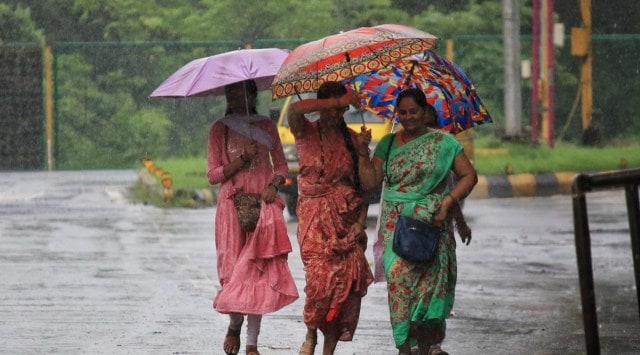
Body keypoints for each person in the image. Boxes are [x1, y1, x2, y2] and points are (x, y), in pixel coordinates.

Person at [358, 88, 478, 355]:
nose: (408, 117)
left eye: (414, 111)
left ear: (425, 112)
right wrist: (362, 152)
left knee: (428, 291)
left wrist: (447, 203)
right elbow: (369, 181)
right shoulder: (388, 143)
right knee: (399, 282)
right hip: (396, 228)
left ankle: (424, 347)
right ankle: (403, 347)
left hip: (433, 227)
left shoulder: (444, 143)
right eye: (403, 112)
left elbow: (469, 176)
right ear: (397, 114)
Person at [206, 79, 299, 355]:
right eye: (232, 93)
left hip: (262, 208)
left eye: (243, 92)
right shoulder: (219, 130)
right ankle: (235, 324)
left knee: (257, 272)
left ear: (253, 94)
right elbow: (213, 175)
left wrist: (273, 184)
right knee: (234, 272)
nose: (238, 98)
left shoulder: (267, 126)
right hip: (231, 210)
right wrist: (242, 159)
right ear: (227, 97)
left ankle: (251, 343)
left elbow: (281, 167)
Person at [287, 81, 374, 355]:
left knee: (344, 289)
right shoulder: (304, 130)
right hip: (314, 219)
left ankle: (328, 349)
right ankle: (311, 332)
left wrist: (362, 153)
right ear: (323, 105)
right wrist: (339, 100)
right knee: (319, 282)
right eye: (334, 107)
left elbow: (365, 187)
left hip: (346, 221)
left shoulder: (352, 138)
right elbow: (296, 108)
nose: (338, 113)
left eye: (343, 108)